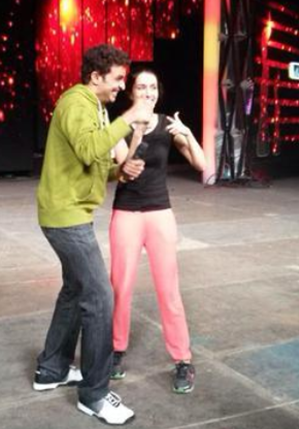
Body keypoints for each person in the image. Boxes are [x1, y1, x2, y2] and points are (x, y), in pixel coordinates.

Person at [33, 44, 154, 425]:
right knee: (100, 298)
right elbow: (88, 149)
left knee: (74, 291)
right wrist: (130, 117)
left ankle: (51, 370)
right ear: (96, 76)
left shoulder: (97, 109)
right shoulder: (76, 102)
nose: (122, 86)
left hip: (74, 214)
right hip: (65, 218)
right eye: (117, 79)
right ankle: (95, 394)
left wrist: (120, 171)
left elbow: (93, 163)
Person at [108, 68, 206, 394]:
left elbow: (202, 164)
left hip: (160, 213)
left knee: (169, 289)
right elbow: (127, 169)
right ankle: (115, 350)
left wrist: (188, 134)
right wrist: (136, 131)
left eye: (152, 87)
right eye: (141, 87)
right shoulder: (119, 126)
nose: (148, 92)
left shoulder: (167, 125)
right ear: (131, 92)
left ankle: (182, 360)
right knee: (120, 287)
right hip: (126, 213)